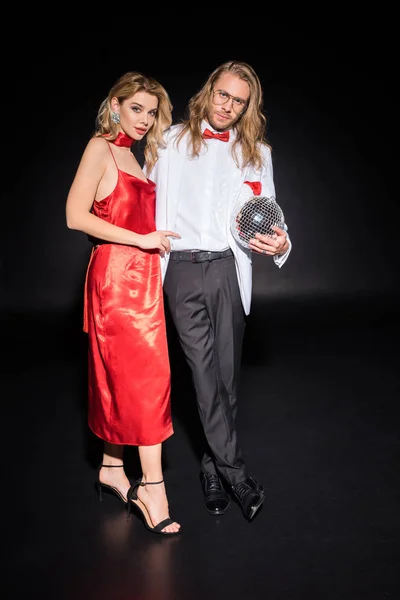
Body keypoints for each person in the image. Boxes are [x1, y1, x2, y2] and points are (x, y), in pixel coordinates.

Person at [146, 60, 292, 522]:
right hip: (182, 271)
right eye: (223, 95)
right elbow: (140, 198)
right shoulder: (168, 141)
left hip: (230, 269)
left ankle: (212, 468)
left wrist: (283, 239)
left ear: (249, 108)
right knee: (204, 373)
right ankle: (235, 471)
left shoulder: (258, 153)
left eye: (239, 100)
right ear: (209, 92)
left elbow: (268, 212)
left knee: (227, 378)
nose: (228, 106)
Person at [65, 71, 181, 535]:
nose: (145, 120)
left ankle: (113, 468)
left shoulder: (133, 155)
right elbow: (76, 217)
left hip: (143, 279)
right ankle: (152, 486)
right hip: (117, 279)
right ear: (115, 104)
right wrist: (143, 239)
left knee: (123, 380)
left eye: (152, 113)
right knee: (148, 381)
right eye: (137, 109)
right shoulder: (99, 147)